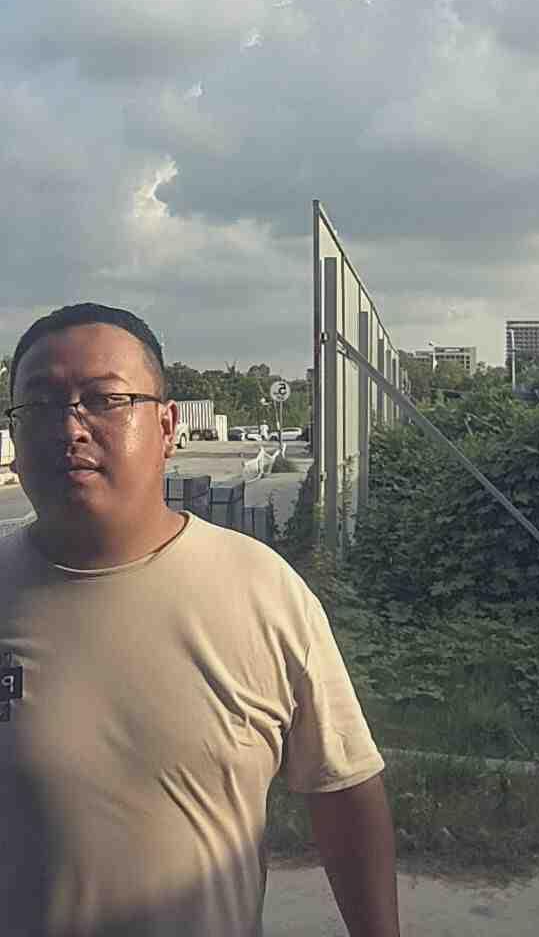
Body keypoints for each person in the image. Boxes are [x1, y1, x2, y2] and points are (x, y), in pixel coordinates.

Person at [0, 303, 401, 937]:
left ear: (166, 427)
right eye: (41, 404)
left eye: (104, 400)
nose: (69, 427)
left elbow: (343, 788)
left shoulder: (260, 590)